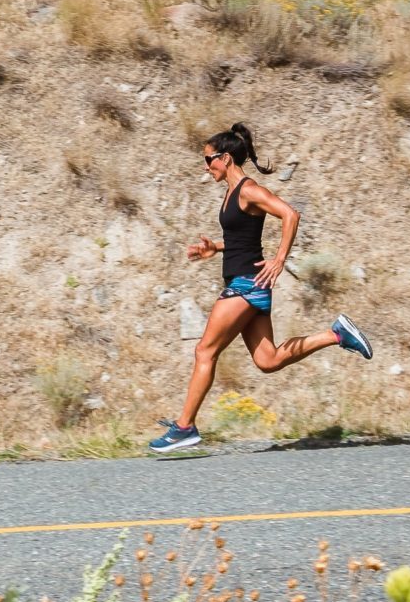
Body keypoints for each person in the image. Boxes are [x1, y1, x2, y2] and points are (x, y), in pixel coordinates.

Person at [148, 123, 372, 453]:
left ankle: (185, 427)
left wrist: (280, 259)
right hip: (247, 283)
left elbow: (289, 214)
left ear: (225, 158)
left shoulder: (249, 190)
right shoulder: (232, 193)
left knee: (204, 351)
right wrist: (217, 249)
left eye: (208, 160)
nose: (206, 166)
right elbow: (243, 240)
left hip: (246, 285)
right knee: (267, 360)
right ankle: (336, 334)